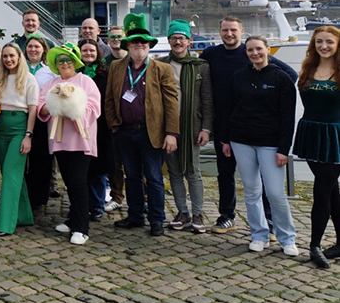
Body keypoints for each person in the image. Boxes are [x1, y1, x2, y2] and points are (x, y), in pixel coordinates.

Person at [201, 16, 297, 235]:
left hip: (257, 126)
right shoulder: (210, 55)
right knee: (225, 172)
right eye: (225, 30)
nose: (229, 34)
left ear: (241, 31)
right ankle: (226, 216)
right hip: (226, 124)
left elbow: (290, 75)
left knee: (263, 178)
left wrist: (265, 97)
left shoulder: (251, 51)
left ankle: (270, 219)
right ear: (219, 31)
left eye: (233, 30)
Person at [220, 36, 298, 257]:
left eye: (259, 49)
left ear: (267, 50)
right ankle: (259, 235)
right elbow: (228, 109)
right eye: (250, 50)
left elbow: (287, 118)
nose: (255, 53)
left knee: (275, 193)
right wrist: (225, 140)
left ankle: (287, 237)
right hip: (241, 140)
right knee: (252, 190)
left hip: (270, 144)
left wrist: (284, 149)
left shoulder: (281, 78)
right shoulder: (239, 77)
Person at [105, 13, 179, 237]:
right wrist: (114, 126)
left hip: (151, 132)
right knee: (132, 176)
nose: (139, 45)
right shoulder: (117, 67)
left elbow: (171, 103)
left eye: (143, 42)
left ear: (149, 45)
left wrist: (171, 133)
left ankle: (156, 219)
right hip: (125, 132)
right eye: (135, 41)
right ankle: (135, 215)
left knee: (154, 177)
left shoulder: (162, 69)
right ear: (128, 45)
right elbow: (109, 98)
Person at [39, 43, 101, 245]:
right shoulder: (52, 83)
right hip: (59, 141)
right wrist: (52, 106)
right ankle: (73, 218)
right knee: (69, 181)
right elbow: (41, 105)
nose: (64, 64)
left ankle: (81, 228)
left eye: (68, 60)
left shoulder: (85, 81)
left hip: (79, 140)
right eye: (60, 61)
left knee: (78, 182)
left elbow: (94, 107)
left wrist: (70, 106)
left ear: (75, 62)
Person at [156, 20, 213, 233]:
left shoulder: (201, 66)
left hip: (193, 126)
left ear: (189, 40)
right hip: (168, 126)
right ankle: (182, 211)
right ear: (169, 41)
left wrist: (206, 129)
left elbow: (207, 99)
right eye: (173, 38)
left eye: (181, 38)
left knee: (193, 171)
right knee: (174, 171)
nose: (177, 42)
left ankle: (198, 212)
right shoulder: (160, 65)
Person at [294, 27, 340, 268]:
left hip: (335, 136)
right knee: (333, 191)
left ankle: (314, 246)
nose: (324, 46)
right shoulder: (308, 69)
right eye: (319, 41)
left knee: (322, 191)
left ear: (337, 44)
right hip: (311, 134)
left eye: (329, 42)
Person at [0, 43, 38, 237]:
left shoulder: (29, 79)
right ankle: (24, 215)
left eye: (12, 56)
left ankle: (5, 225)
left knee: (10, 173)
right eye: (5, 56)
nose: (8, 59)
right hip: (1, 126)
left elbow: (33, 109)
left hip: (20, 126)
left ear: (19, 57)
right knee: (11, 171)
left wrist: (28, 135)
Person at [78, 39, 112, 222]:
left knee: (98, 169)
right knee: (82, 169)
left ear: (97, 52)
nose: (88, 54)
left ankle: (98, 205)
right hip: (79, 127)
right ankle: (84, 205)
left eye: (92, 50)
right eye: (84, 51)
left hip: (101, 126)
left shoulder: (106, 73)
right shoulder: (76, 73)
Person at [24, 35, 58, 210]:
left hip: (43, 118)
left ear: (43, 49)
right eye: (30, 46)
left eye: (37, 46)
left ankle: (39, 197)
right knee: (23, 159)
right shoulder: (20, 68)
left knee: (42, 159)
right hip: (22, 117)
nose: (33, 49)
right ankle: (24, 195)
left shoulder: (50, 70)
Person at [103, 26, 127, 211]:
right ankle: (117, 196)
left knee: (137, 165)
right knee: (114, 162)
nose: (116, 39)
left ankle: (142, 198)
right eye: (112, 37)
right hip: (113, 119)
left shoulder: (132, 59)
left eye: (119, 36)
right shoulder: (105, 63)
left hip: (133, 117)